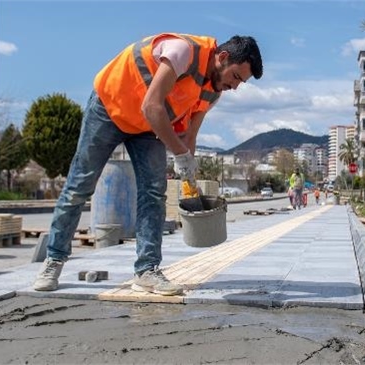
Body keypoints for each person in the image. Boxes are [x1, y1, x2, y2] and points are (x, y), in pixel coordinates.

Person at [32, 33, 263, 295]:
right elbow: (151, 105)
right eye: (235, 77)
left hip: (147, 127)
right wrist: (179, 154)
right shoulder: (181, 51)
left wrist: (189, 173)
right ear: (222, 58)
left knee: (154, 193)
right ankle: (54, 260)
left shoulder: (213, 92)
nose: (235, 86)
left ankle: (147, 270)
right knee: (79, 186)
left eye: (241, 83)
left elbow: (189, 136)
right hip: (110, 109)